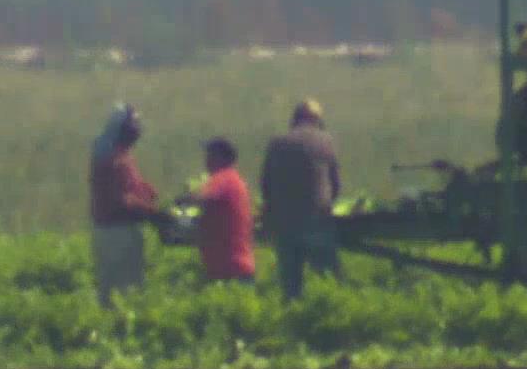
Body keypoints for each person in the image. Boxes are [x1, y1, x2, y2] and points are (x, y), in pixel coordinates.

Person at [88, 103, 171, 308]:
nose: (138, 128)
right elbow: (121, 199)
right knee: (122, 295)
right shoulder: (111, 157)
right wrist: (154, 214)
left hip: (123, 231)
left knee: (127, 290)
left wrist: (146, 191)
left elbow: (132, 187)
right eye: (134, 123)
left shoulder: (123, 154)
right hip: (116, 232)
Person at [260, 100, 343, 301]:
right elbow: (335, 183)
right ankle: (333, 315)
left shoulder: (277, 142)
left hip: (285, 221)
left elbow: (266, 184)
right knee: (328, 278)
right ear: (316, 119)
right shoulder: (325, 141)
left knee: (290, 284)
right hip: (317, 218)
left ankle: (292, 321)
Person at [175, 138, 256, 284]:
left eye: (210, 155)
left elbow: (205, 197)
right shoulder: (235, 179)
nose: (206, 160)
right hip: (235, 265)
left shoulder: (223, 178)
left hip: (230, 267)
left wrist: (184, 200)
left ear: (221, 158)